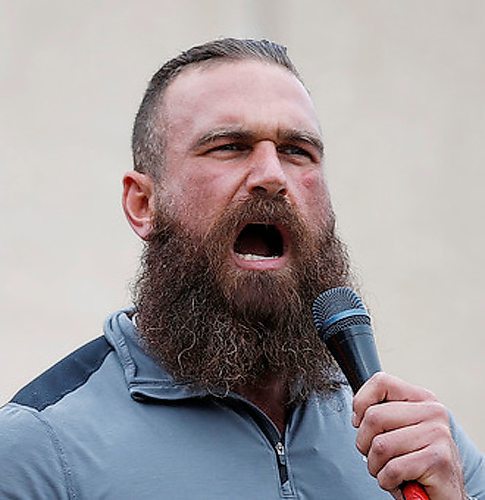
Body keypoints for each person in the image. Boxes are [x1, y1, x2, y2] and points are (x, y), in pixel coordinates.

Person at [0, 38, 483, 499]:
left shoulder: (418, 446)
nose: (273, 176)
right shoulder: (41, 448)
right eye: (229, 146)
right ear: (143, 202)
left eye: (297, 150)